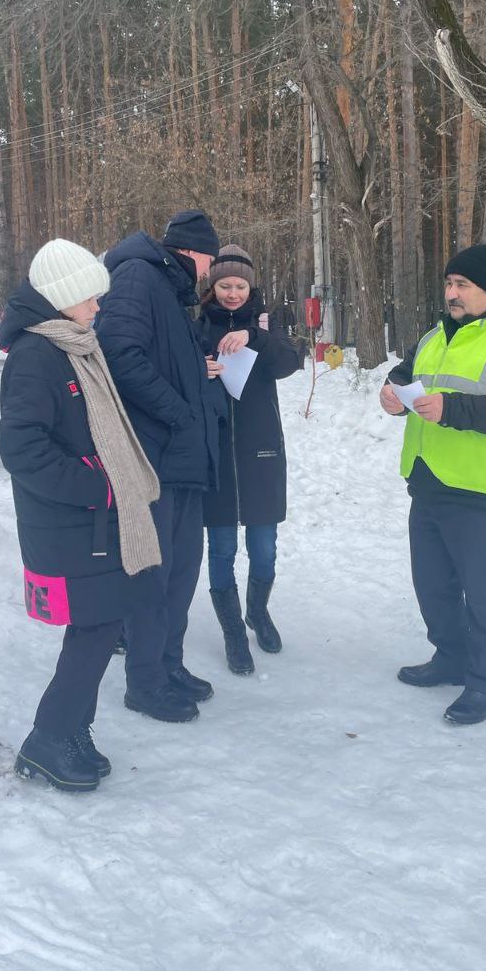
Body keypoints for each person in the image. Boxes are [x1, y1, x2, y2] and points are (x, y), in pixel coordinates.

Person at [0, 238, 163, 792]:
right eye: (90, 297)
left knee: (102, 625)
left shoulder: (72, 345)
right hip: (70, 524)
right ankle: (48, 740)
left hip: (92, 522)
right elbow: (22, 450)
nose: (98, 307)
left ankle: (71, 731)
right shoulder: (35, 356)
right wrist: (101, 485)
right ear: (61, 298)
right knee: (94, 630)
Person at [380, 243, 486, 726]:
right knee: (432, 584)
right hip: (427, 477)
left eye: (463, 285)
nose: (452, 293)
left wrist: (452, 408)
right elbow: (404, 375)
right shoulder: (434, 334)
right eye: (450, 283)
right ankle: (450, 657)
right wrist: (391, 395)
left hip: (478, 489)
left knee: (483, 590)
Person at [96, 209, 224, 723]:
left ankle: (170, 665)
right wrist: (178, 410)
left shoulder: (169, 291)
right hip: (155, 461)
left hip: (183, 460)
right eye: (209, 260)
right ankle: (145, 683)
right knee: (154, 577)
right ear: (191, 252)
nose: (210, 271)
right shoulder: (137, 277)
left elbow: (165, 357)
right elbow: (120, 354)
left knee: (180, 574)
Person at [197, 244, 304, 674]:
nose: (233, 293)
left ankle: (257, 612)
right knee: (221, 549)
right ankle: (232, 633)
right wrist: (199, 368)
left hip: (262, 452)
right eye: (225, 284)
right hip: (217, 451)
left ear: (251, 285)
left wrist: (253, 338)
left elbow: (290, 362)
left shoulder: (267, 320)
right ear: (213, 285)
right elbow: (178, 370)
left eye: (240, 285)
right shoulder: (198, 323)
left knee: (264, 549)